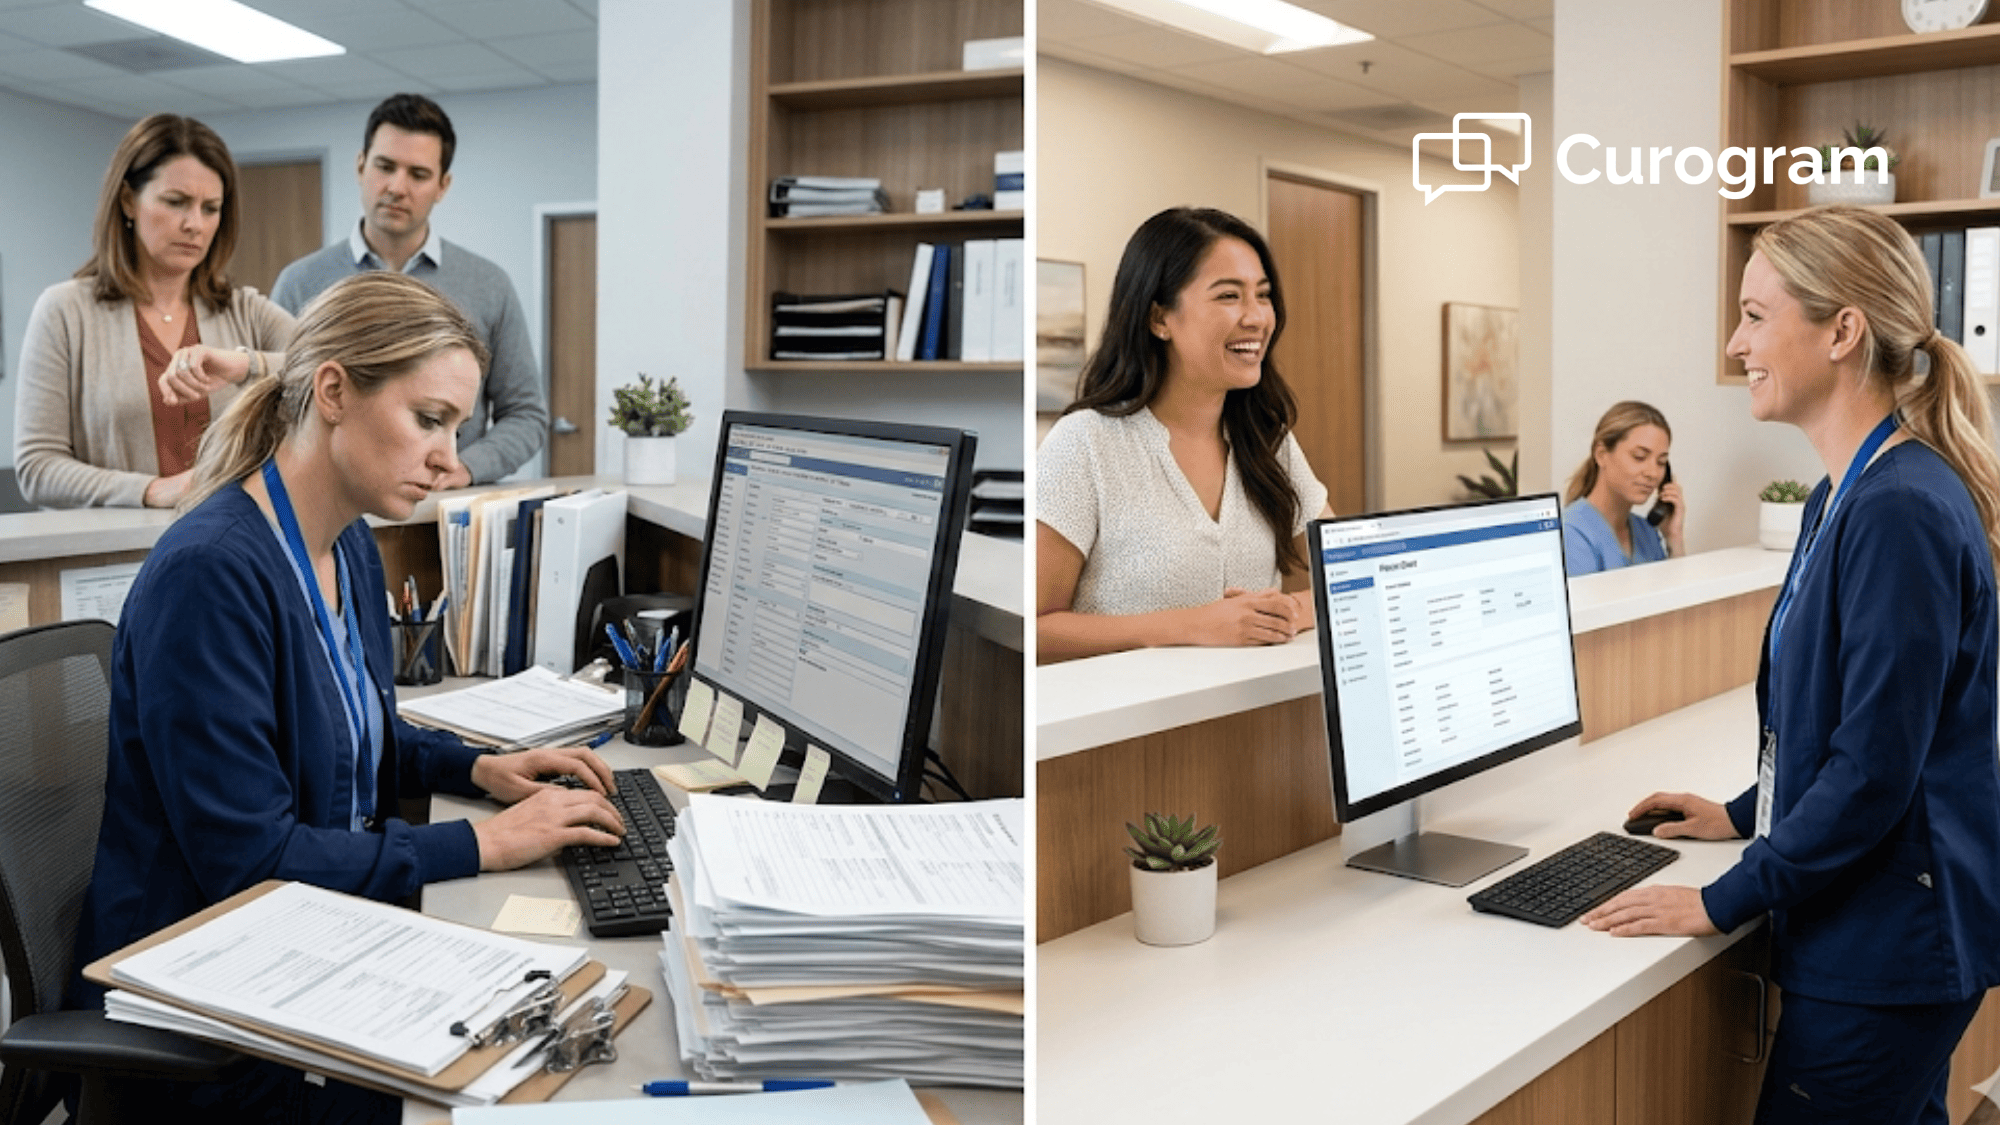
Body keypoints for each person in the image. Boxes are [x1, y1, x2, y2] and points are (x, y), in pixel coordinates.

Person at [67, 272, 623, 1121]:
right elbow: (252, 861)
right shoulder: (210, 574)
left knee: (559, 1033)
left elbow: (354, 729)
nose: (450, 457)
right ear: (333, 390)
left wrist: (485, 768)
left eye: (458, 428)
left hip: (310, 943)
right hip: (206, 1011)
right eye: (428, 419)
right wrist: (483, 844)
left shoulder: (351, 544)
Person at [1583, 206, 2000, 1125]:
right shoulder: (1839, 493)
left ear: (1843, 330)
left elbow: (1876, 770)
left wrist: (1724, 898)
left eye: (1756, 315)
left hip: (1891, 942)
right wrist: (1741, 812)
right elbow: (1844, 724)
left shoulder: (1900, 508)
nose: (1735, 343)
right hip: (1881, 923)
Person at [1036, 206, 1330, 663]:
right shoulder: (1085, 443)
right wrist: (1193, 625)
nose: (1256, 318)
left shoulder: (1268, 440)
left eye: (1264, 295)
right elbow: (1037, 631)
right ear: (1160, 318)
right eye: (1229, 296)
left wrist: (1286, 611)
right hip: (1125, 725)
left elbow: (1351, 575)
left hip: (1254, 720)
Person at [13, 114, 293, 509]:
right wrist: (153, 490)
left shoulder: (244, 310)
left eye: (210, 208)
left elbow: (339, 366)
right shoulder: (64, 312)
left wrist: (246, 365)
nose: (194, 224)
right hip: (115, 557)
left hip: (232, 546)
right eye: (176, 202)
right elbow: (37, 468)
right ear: (128, 200)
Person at [271, 92, 546, 486]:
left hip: (440, 512)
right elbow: (277, 402)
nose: (397, 187)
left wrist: (465, 469)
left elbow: (526, 414)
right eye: (385, 166)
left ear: (442, 185)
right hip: (332, 506)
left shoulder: (488, 285)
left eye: (418, 174)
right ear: (361, 165)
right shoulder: (301, 282)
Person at [1560, 400, 1687, 576]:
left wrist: (1674, 538)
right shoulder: (1571, 533)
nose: (1653, 473)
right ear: (1601, 454)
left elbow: (1678, 599)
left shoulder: (1647, 532)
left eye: (1661, 462)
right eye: (1639, 456)